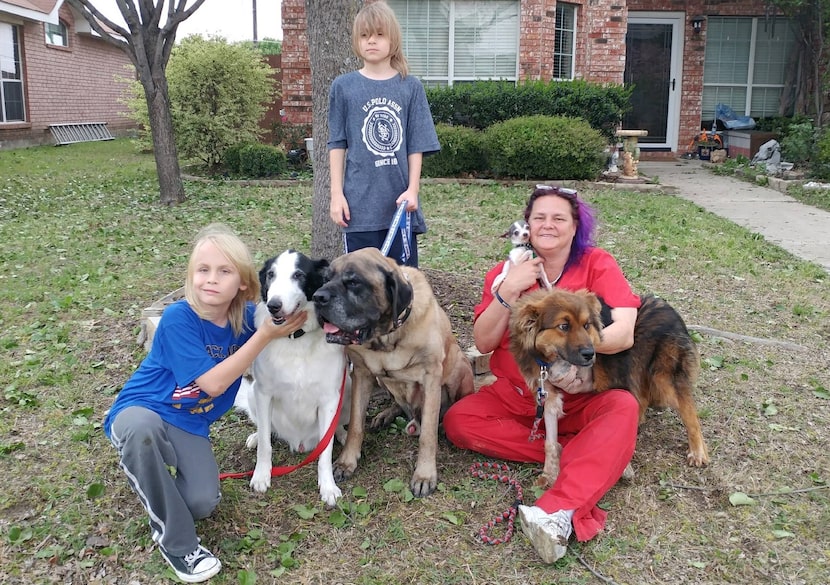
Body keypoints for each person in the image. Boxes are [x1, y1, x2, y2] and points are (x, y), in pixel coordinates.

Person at [442, 186, 642, 563]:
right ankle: (594, 454)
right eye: (539, 218)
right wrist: (508, 291)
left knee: (622, 406)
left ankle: (557, 513)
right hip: (517, 399)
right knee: (459, 422)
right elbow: (484, 343)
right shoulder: (505, 273)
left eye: (558, 218)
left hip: (578, 396)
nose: (547, 225)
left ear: (575, 225)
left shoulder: (598, 264)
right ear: (527, 225)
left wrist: (578, 353)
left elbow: (625, 332)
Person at [103, 224, 306, 583]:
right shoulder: (178, 318)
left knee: (202, 503)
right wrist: (264, 336)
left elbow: (289, 318)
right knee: (141, 432)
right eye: (203, 270)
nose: (211, 279)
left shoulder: (246, 320)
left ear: (243, 283)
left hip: (187, 423)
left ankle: (153, 486)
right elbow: (212, 385)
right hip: (143, 410)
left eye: (224, 271)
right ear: (191, 276)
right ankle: (179, 545)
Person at [327, 1, 440, 267]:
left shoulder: (409, 87)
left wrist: (413, 189)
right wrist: (336, 194)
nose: (371, 42)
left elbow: (416, 144)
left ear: (393, 39)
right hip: (358, 208)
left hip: (399, 208)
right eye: (365, 36)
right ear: (356, 41)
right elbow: (337, 143)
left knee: (401, 284)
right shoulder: (343, 87)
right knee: (361, 286)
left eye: (379, 34)